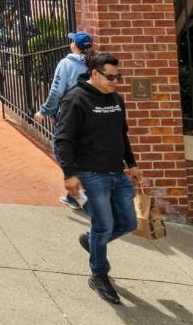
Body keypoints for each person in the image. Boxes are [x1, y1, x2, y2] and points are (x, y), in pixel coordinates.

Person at [53, 53, 143, 305]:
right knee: (103, 226)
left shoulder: (116, 99)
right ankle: (98, 274)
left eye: (118, 76)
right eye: (110, 77)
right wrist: (69, 175)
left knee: (128, 223)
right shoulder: (76, 99)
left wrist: (132, 164)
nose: (115, 82)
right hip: (90, 175)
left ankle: (91, 241)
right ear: (94, 73)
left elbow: (122, 135)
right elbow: (63, 140)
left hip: (117, 173)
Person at [35, 32, 94, 210]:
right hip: (90, 113)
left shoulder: (66, 64)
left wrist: (45, 111)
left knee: (62, 152)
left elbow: (56, 92)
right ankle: (76, 196)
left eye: (72, 41)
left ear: (74, 45)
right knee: (81, 153)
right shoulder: (94, 63)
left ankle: (78, 196)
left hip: (69, 114)